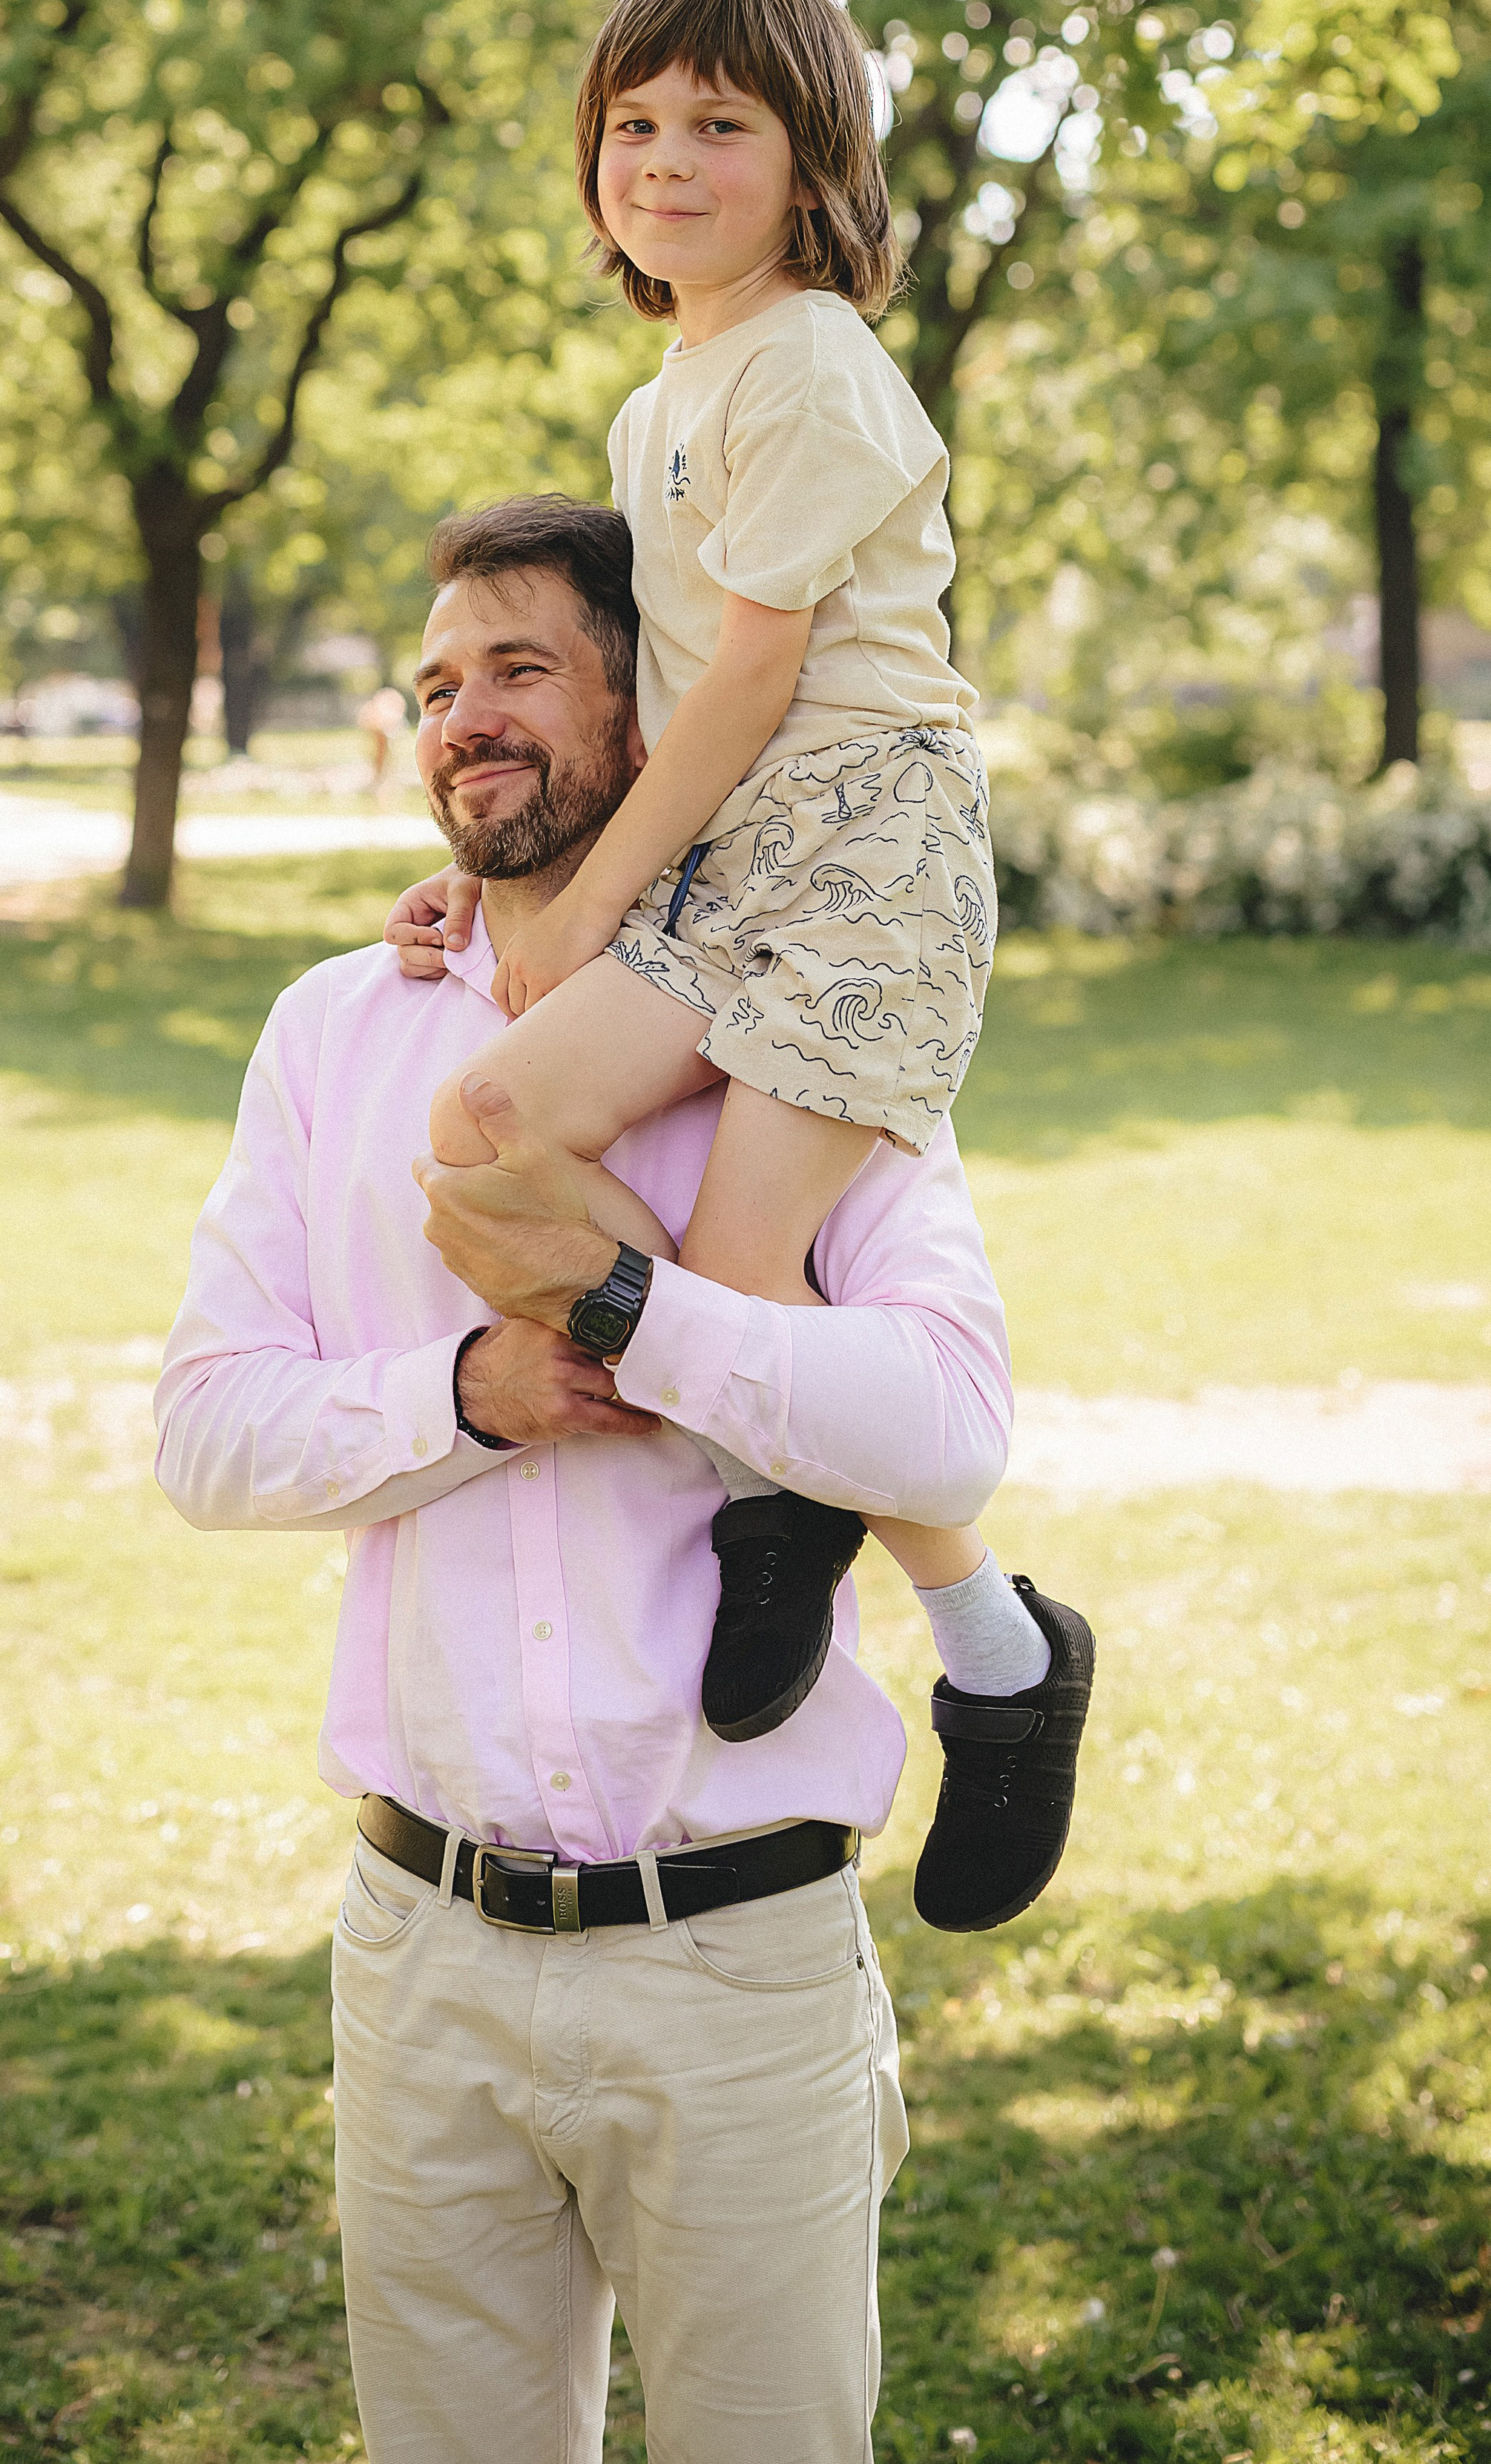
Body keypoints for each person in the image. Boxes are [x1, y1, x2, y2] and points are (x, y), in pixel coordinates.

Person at [155, 499, 1093, 2463]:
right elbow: (209, 1435)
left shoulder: (808, 1030)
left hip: (736, 1967)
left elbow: (948, 1423)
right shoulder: (335, 1033)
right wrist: (471, 1389)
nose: (461, 718)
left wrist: (629, 1314)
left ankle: (1002, 1646)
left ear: (648, 701)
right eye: (432, 685)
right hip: (423, 1959)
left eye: (516, 668)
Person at [387, 0, 1092, 1779]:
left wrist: (604, 895)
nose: (666, 160)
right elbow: (650, 701)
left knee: (739, 1264)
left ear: (811, 166)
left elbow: (760, 678)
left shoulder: (814, 367)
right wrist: (505, 881)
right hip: (727, 852)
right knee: (488, 1132)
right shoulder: (658, 403)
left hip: (863, 848)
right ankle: (778, 1475)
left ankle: (990, 1648)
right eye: (633, 124)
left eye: (721, 123)